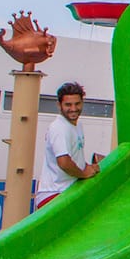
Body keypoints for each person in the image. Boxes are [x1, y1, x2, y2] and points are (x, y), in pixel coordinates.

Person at [35, 82, 97, 210]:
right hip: (54, 194)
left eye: (77, 104)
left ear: (82, 103)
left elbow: (74, 157)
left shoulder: (77, 125)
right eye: (68, 105)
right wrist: (84, 174)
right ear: (59, 105)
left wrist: (87, 166)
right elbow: (64, 162)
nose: (73, 108)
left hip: (66, 190)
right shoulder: (59, 128)